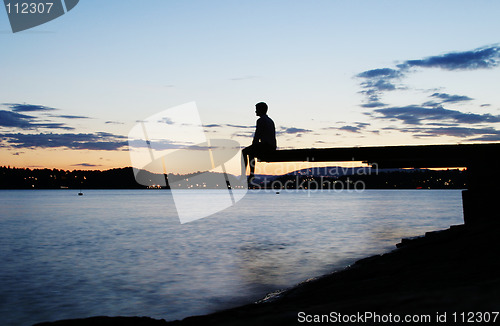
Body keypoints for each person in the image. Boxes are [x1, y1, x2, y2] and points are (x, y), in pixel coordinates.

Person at [242, 102, 277, 183]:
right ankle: (251, 174)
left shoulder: (261, 120)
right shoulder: (270, 120)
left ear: (261, 110)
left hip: (266, 146)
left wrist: (253, 145)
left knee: (244, 151)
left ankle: (245, 174)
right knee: (251, 153)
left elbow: (257, 135)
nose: (255, 111)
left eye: (256, 109)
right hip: (272, 146)